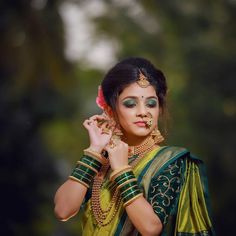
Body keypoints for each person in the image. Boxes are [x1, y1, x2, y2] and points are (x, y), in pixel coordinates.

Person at [54, 57, 214, 235]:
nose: (143, 112)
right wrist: (94, 150)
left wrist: (122, 170)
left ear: (159, 109)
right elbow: (63, 210)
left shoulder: (169, 161)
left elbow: (151, 228)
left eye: (151, 103)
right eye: (130, 103)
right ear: (110, 109)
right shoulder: (100, 164)